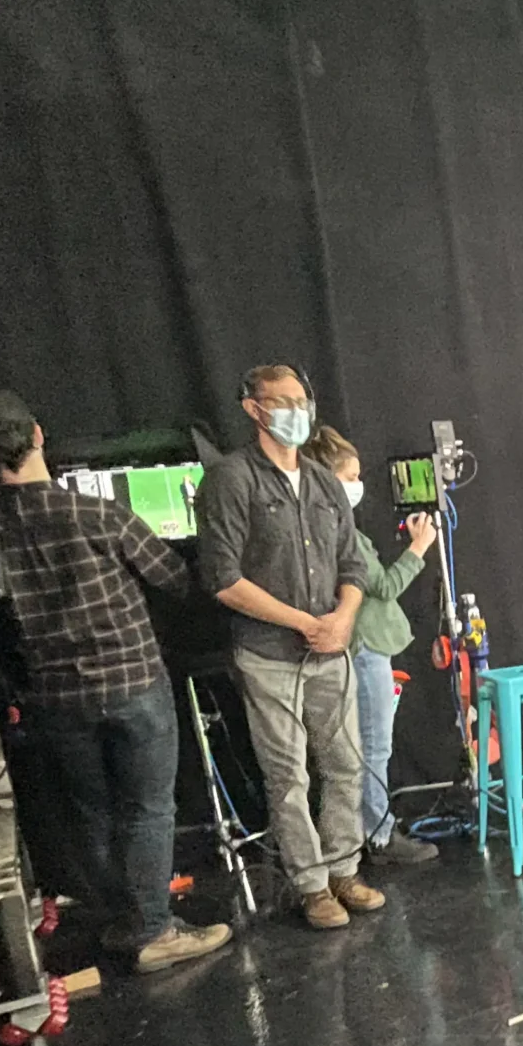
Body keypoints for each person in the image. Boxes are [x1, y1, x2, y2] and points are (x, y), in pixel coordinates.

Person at [0, 387, 233, 972]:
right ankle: (153, 931)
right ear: (37, 435)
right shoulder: (97, 513)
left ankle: (129, 920)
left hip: (55, 699)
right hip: (133, 684)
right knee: (148, 810)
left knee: (94, 813)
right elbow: (176, 580)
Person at [196, 364, 387, 930]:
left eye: (302, 401)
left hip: (331, 649)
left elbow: (353, 564)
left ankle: (344, 870)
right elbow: (222, 578)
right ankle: (311, 886)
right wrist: (303, 621)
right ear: (253, 408)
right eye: (282, 402)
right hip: (268, 655)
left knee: (345, 765)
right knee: (289, 778)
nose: (296, 413)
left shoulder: (325, 483)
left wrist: (343, 618)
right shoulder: (231, 481)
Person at [302, 424, 439, 866]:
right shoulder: (341, 534)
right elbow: (384, 586)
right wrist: (419, 548)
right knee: (374, 747)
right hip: (363, 651)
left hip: (359, 650)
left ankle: (369, 830)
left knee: (362, 748)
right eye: (351, 477)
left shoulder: (327, 528)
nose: (358, 485)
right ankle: (378, 836)